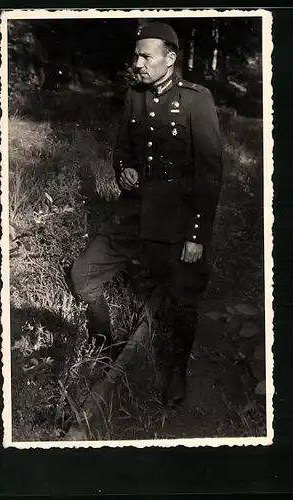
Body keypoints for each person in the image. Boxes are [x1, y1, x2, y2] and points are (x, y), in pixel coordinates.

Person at [71, 22, 223, 406]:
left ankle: (176, 373)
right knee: (83, 275)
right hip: (133, 215)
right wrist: (124, 170)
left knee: (181, 302)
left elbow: (209, 174)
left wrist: (197, 235)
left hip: (175, 222)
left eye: (145, 56)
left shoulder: (195, 99)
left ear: (169, 59)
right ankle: (105, 347)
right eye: (135, 55)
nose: (137, 63)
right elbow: (122, 148)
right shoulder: (134, 96)